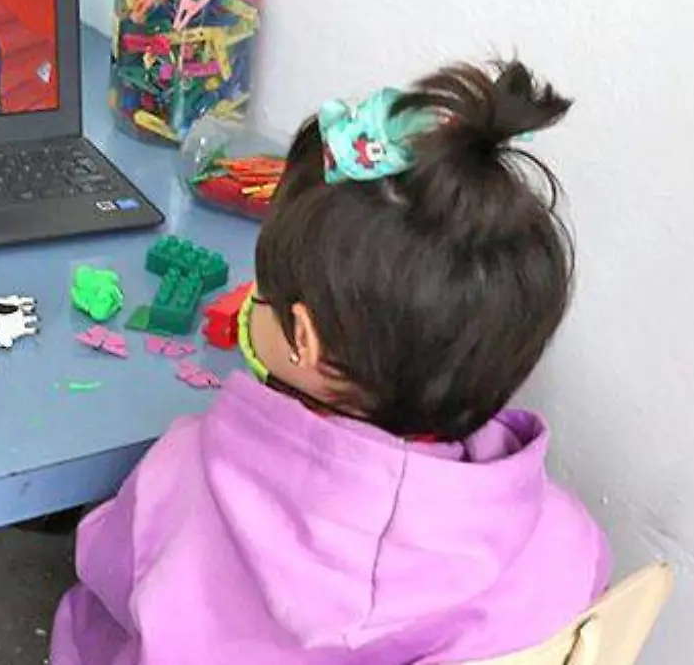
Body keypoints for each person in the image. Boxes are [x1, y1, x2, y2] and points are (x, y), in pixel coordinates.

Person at [50, 60, 610, 664]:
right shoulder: (568, 541)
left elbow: (104, 568)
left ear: (305, 341)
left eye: (262, 296)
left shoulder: (182, 475)